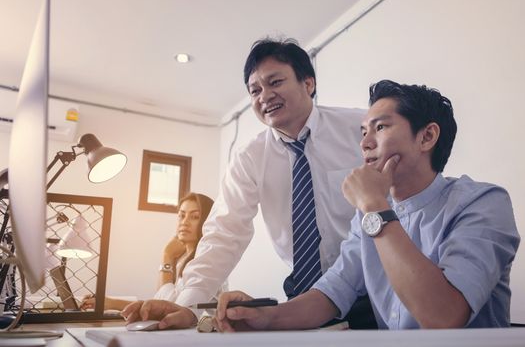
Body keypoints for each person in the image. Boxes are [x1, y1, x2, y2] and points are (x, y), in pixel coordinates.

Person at [213, 79, 521, 331]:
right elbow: (332, 292)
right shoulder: (370, 215)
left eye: (381, 127)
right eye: (363, 132)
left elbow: (443, 317)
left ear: (427, 136)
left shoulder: (483, 203)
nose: (364, 143)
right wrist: (265, 317)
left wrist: (374, 205)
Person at [121, 38, 372, 329]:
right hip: (303, 297)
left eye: (275, 82)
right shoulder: (249, 157)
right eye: (255, 90)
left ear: (308, 83)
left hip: (373, 288)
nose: (265, 96)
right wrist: (188, 304)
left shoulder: (361, 129)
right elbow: (224, 232)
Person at [81, 192, 217, 311]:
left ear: (207, 221)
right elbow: (159, 302)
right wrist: (109, 303)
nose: (184, 222)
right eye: (181, 216)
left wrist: (167, 256)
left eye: (194, 217)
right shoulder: (182, 258)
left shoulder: (204, 260)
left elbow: (171, 308)